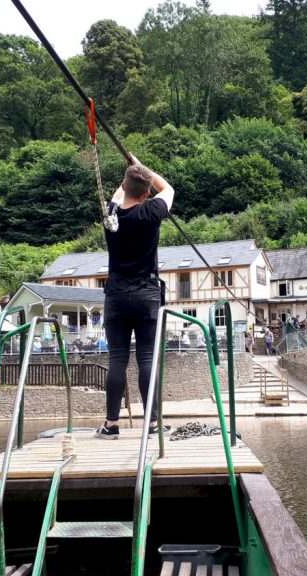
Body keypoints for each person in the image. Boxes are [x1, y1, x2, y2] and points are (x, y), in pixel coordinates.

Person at [96, 156, 175, 440]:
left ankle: (111, 424)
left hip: (116, 295)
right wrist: (143, 168)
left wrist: (132, 173)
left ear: (125, 186)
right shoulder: (152, 211)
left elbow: (120, 193)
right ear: (146, 194)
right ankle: (153, 425)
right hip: (146, 295)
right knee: (146, 359)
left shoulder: (110, 215)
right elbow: (169, 189)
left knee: (118, 359)